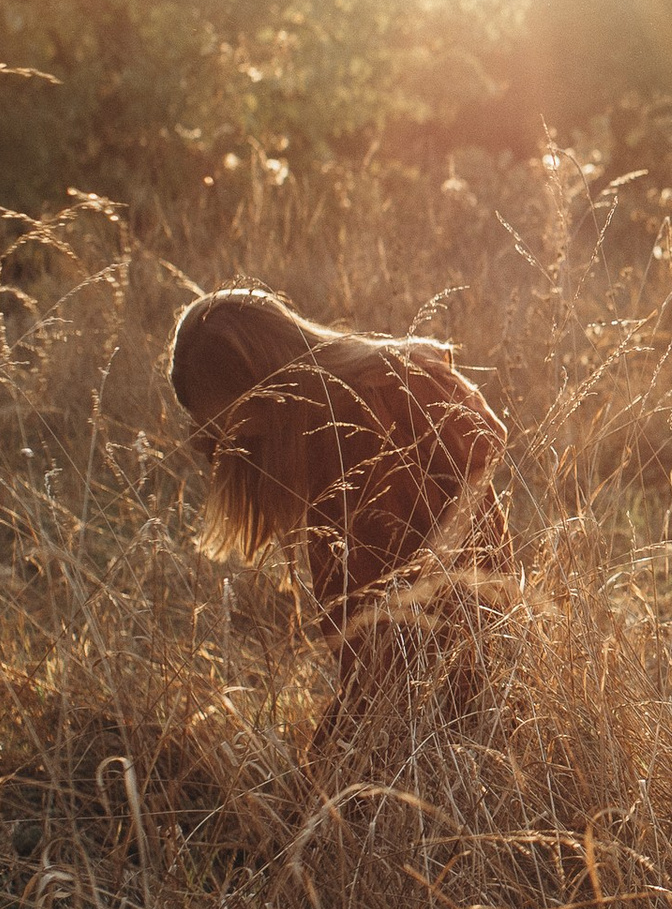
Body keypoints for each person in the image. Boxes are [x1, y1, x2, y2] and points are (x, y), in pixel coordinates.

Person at [169, 287, 511, 717]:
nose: (234, 438)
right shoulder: (317, 420)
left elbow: (489, 442)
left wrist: (438, 560)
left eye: (232, 419)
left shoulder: (372, 398)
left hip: (457, 653)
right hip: (424, 665)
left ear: (262, 381)